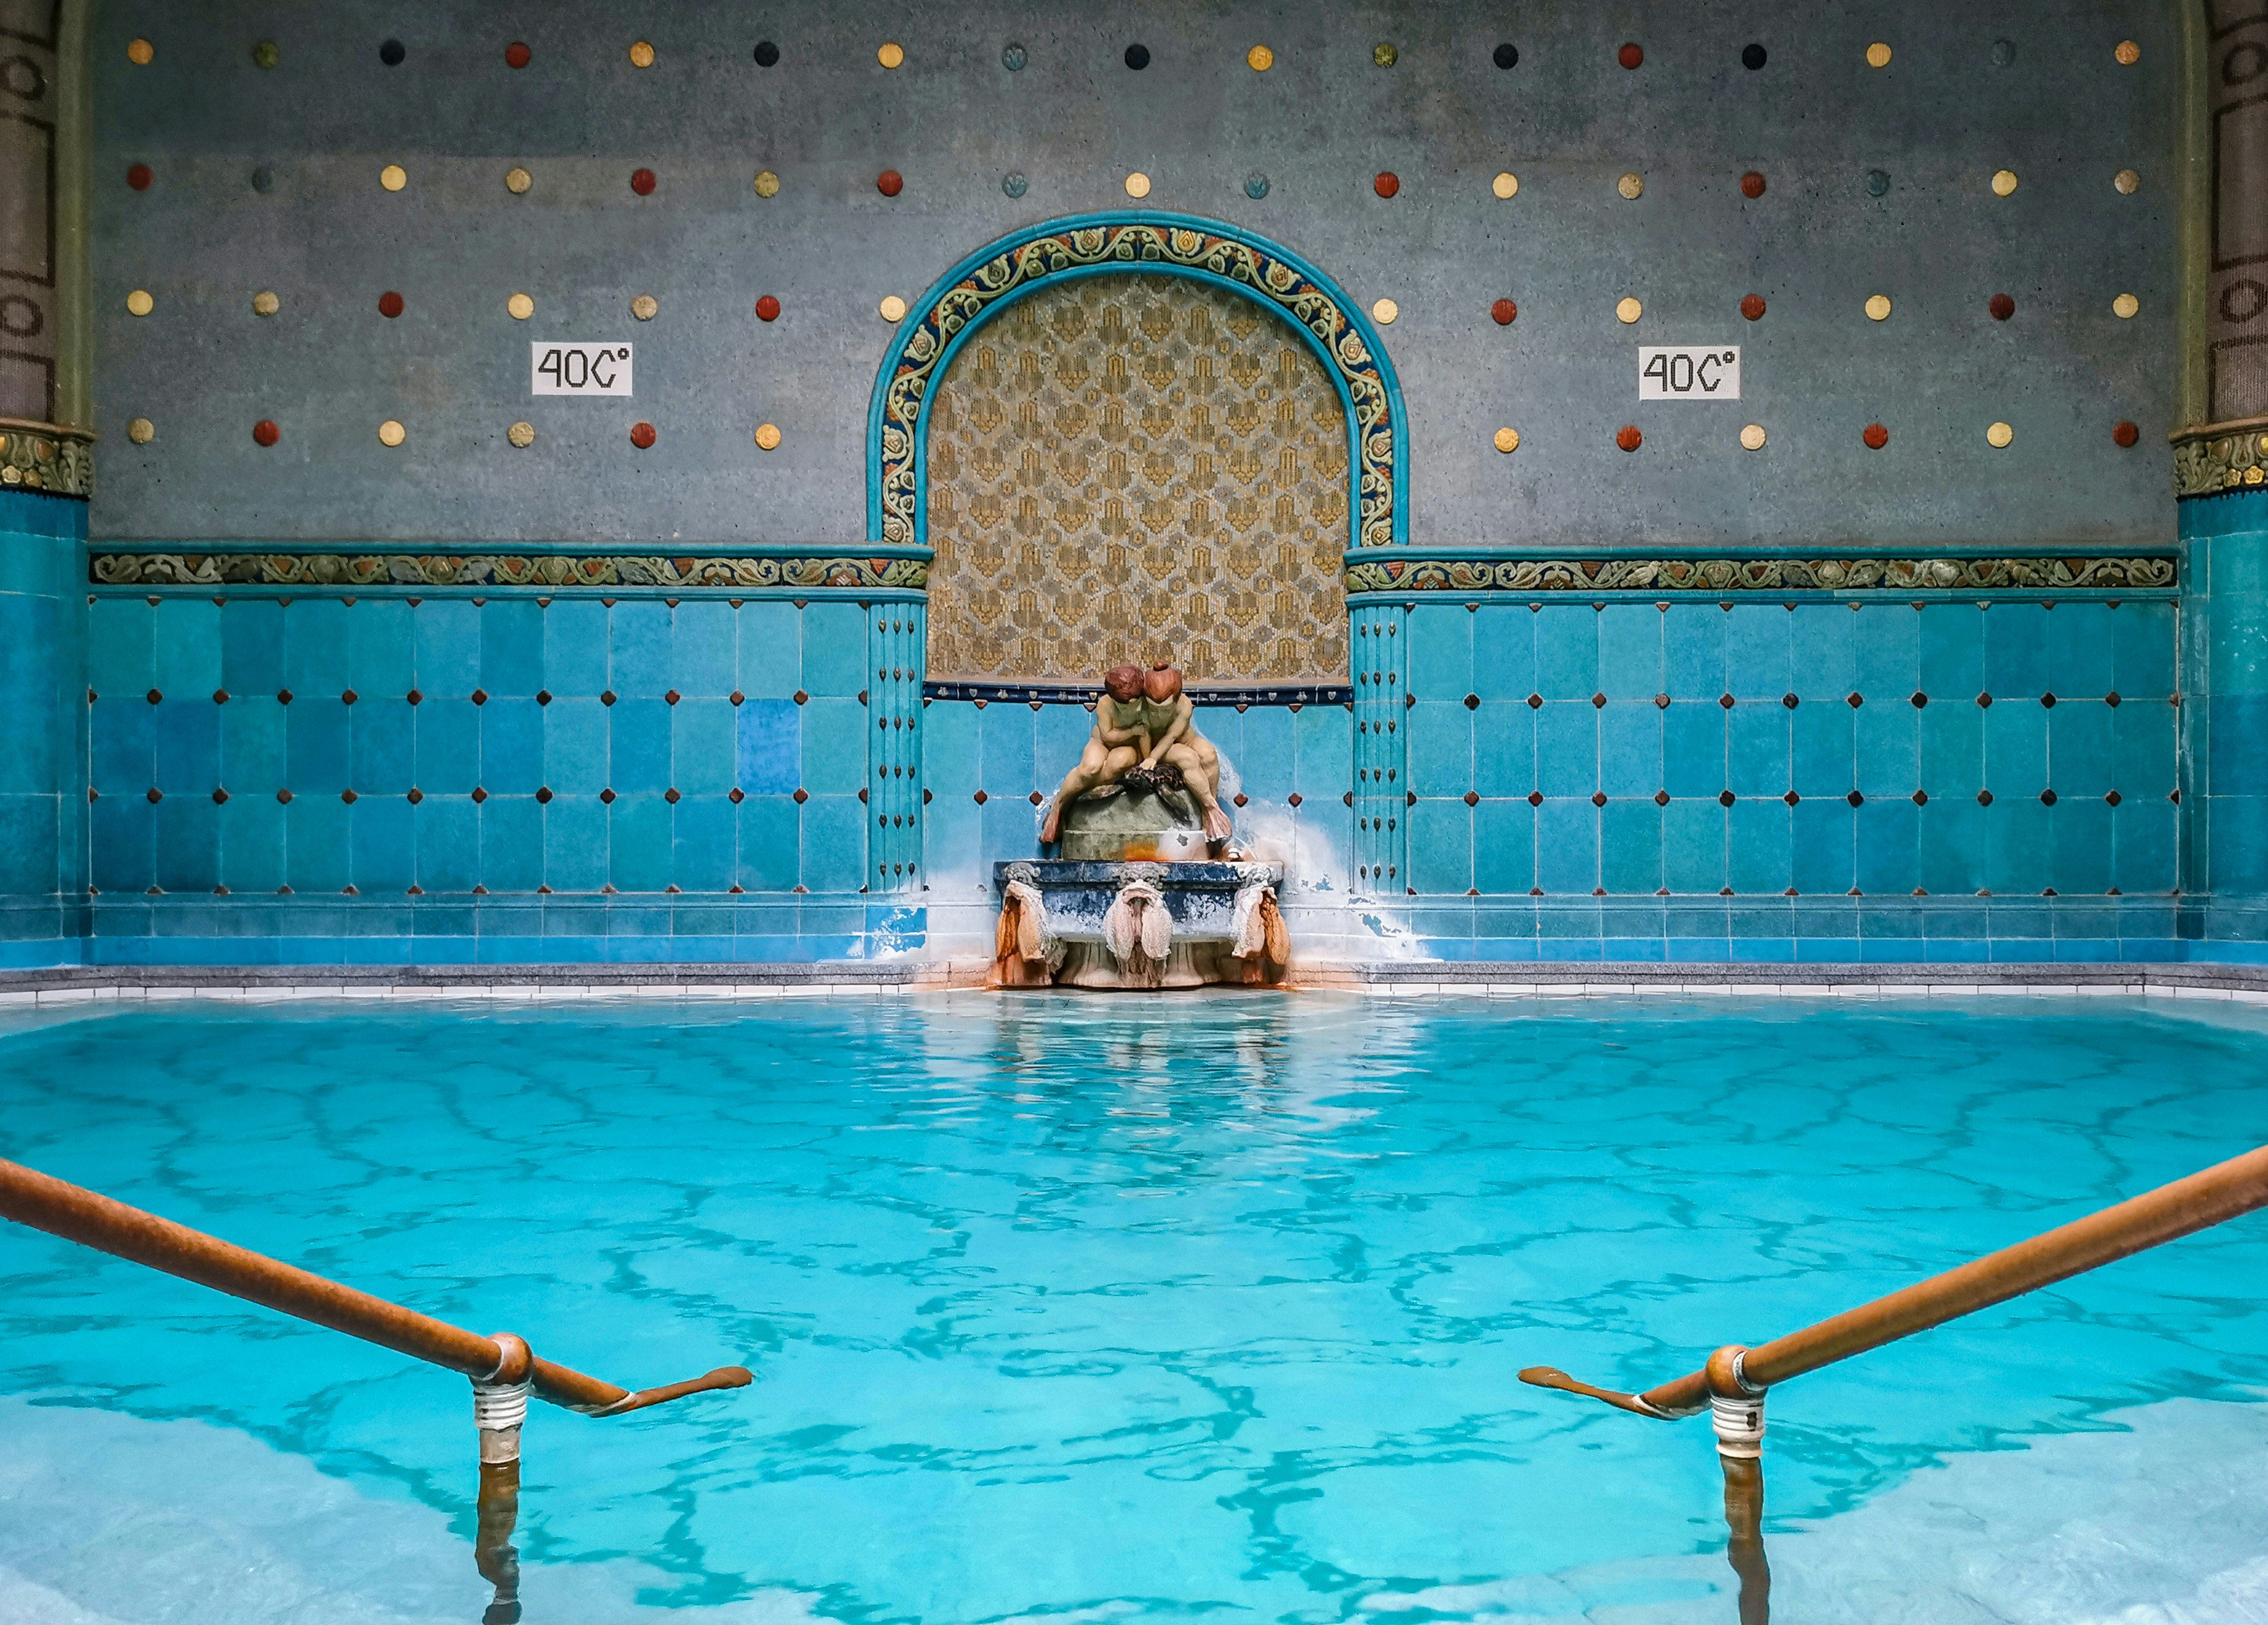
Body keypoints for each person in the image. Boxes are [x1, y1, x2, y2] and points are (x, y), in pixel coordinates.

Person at [1040, 664, 1150, 844]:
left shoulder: (1145, 702)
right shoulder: (1105, 704)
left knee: (1119, 763)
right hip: (1103, 742)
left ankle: (1076, 799)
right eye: (1126, 700)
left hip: (1129, 748)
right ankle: (1059, 805)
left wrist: (1148, 761)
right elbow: (1108, 736)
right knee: (1090, 768)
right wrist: (1132, 731)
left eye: (1135, 698)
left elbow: (1145, 734)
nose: (1132, 703)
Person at [1135, 663, 1232, 842]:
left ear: (1176, 697)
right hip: (1154, 747)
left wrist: (1154, 757)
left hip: (1177, 740)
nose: (1158, 711)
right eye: (1153, 707)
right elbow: (1144, 733)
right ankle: (1209, 808)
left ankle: (1209, 811)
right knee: (1188, 757)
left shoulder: (1185, 705)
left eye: (1164, 708)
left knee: (1208, 754)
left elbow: (1172, 735)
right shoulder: (1140, 707)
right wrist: (1150, 758)